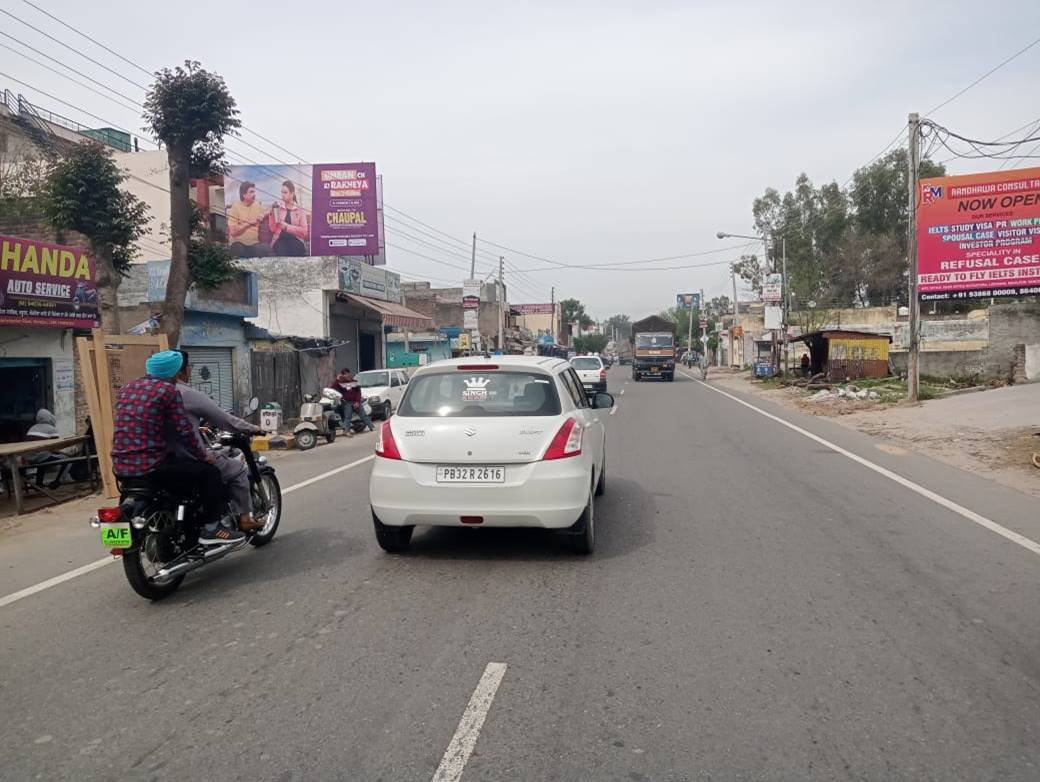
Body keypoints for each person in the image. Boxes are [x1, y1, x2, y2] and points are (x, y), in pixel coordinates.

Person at [111, 350, 244, 545]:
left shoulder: (127, 388)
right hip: (153, 466)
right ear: (174, 373)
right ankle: (212, 529)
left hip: (121, 466)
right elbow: (184, 430)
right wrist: (202, 455)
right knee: (210, 474)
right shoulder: (168, 391)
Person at [172, 351, 264, 533]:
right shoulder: (185, 394)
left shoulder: (146, 395)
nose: (190, 370)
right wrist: (252, 428)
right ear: (181, 371)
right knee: (237, 469)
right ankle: (243, 518)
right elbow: (224, 420)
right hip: (188, 457)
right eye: (189, 366)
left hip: (159, 460)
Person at [227, 181, 272, 258]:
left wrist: (263, 214)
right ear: (244, 194)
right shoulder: (235, 207)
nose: (254, 194)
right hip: (238, 242)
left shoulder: (257, 205)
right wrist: (248, 223)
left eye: (254, 192)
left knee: (262, 250)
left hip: (253, 243)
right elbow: (233, 232)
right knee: (237, 250)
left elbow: (270, 209)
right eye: (251, 192)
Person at [269, 180, 309, 256]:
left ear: (292, 193)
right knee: (282, 250)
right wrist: (271, 215)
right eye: (282, 192)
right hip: (279, 239)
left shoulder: (300, 209)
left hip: (295, 239)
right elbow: (272, 229)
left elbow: (304, 231)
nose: (282, 195)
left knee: (297, 248)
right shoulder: (278, 208)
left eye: (285, 192)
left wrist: (286, 227)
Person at [331, 367, 373, 433]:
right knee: (348, 416)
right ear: (342, 375)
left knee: (363, 415)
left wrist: (357, 402)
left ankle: (371, 427)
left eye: (347, 374)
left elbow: (358, 393)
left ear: (349, 374)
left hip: (356, 402)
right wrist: (337, 379)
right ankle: (347, 431)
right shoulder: (341, 383)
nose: (346, 375)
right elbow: (333, 388)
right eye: (344, 374)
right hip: (347, 402)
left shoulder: (354, 382)